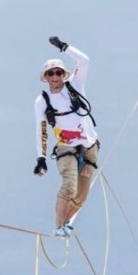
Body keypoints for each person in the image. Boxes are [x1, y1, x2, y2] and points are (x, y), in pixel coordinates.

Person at [33, 36, 100, 238]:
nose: (55, 77)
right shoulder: (42, 101)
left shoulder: (76, 85)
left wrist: (65, 47)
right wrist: (41, 159)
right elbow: (42, 130)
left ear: (64, 74)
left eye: (58, 72)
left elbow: (85, 61)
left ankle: (66, 222)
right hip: (66, 147)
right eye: (50, 73)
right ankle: (59, 225)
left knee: (81, 196)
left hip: (89, 145)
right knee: (69, 185)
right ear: (45, 77)